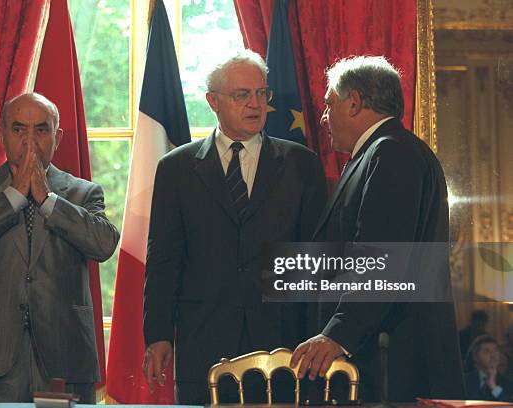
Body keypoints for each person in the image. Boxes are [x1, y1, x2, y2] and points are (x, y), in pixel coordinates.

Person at [142, 50, 327, 404]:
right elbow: (164, 259)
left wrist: (318, 333)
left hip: (284, 342)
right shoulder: (176, 169)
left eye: (262, 93)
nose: (255, 104)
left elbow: (315, 259)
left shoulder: (300, 164)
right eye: (242, 95)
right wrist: (159, 334)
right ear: (213, 101)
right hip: (204, 341)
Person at [290, 56, 465, 402]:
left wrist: (337, 335)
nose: (324, 117)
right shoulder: (380, 152)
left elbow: (380, 256)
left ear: (354, 102)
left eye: (329, 104)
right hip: (379, 352)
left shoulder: (390, 154)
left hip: (390, 359)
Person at [0, 93, 120, 403]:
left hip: (66, 358)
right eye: (18, 129)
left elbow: (103, 244)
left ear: (57, 136)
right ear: (1, 135)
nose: (29, 140)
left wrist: (48, 201)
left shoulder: (84, 192)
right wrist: (12, 196)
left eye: (41, 129)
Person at [465, 335, 513, 402]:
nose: (493, 355)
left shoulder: (509, 383)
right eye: (486, 351)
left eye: (496, 350)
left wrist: (494, 387)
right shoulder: (465, 381)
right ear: (475, 357)